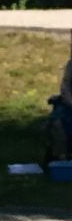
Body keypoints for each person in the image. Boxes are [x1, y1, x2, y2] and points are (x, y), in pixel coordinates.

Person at [49, 30, 72, 163]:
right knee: (57, 122)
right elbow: (65, 87)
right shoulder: (71, 65)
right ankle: (61, 159)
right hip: (69, 106)